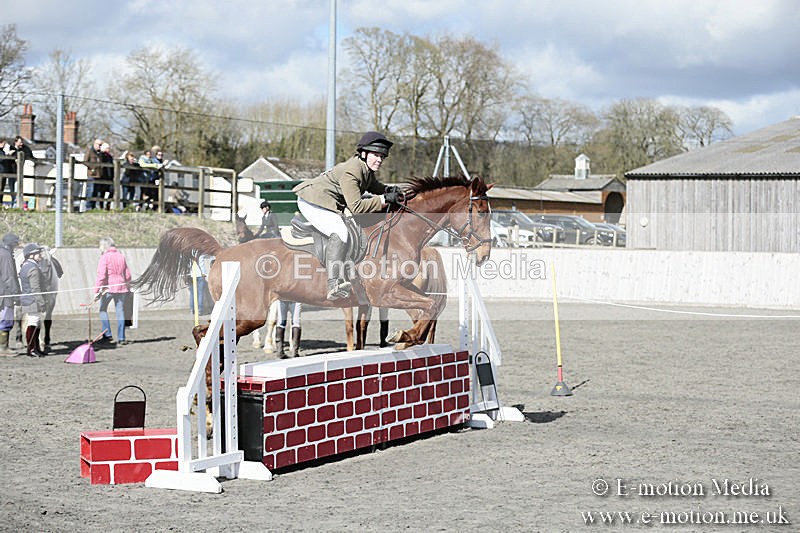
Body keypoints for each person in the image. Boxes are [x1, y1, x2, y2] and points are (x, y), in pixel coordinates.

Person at [292, 131, 401, 300]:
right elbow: (357, 207)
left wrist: (388, 190)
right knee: (341, 231)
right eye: (375, 155)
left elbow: (373, 185)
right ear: (363, 153)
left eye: (382, 156)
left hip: (326, 201)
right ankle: (333, 284)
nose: (379, 159)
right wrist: (383, 199)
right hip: (312, 201)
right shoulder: (352, 171)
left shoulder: (365, 169)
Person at [94, 237, 132, 346]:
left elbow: (101, 275)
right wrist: (128, 286)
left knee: (102, 310)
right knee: (120, 312)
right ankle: (121, 337)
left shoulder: (104, 257)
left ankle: (107, 335)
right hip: (122, 287)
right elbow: (128, 275)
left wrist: (97, 290)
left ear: (104, 246)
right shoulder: (121, 256)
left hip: (109, 288)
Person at [19, 243, 46, 357]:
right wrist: (42, 302)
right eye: (37, 253)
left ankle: (36, 347)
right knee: (33, 323)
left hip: (29, 298)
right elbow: (35, 288)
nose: (40, 255)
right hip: (32, 300)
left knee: (37, 323)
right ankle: (31, 349)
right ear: (31, 255)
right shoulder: (33, 268)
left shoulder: (25, 266)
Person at [0, 233, 21, 356]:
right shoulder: (5, 254)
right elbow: (9, 277)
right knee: (6, 320)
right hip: (4, 293)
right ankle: (3, 348)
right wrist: (16, 295)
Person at [6, 136, 34, 207]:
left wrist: (17, 152)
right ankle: (13, 204)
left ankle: (17, 204)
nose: (21, 144)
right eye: (20, 142)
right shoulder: (11, 148)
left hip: (20, 172)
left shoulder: (24, 148)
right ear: (16, 142)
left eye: (22, 142)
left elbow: (29, 154)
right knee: (12, 190)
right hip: (11, 172)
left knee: (18, 189)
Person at [83, 138, 103, 210]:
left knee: (96, 192)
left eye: (101, 145)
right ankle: (88, 207)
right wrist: (92, 167)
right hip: (92, 175)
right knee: (90, 191)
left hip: (99, 175)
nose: (100, 146)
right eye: (99, 145)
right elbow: (85, 161)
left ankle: (93, 207)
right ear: (95, 144)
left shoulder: (100, 153)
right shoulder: (89, 151)